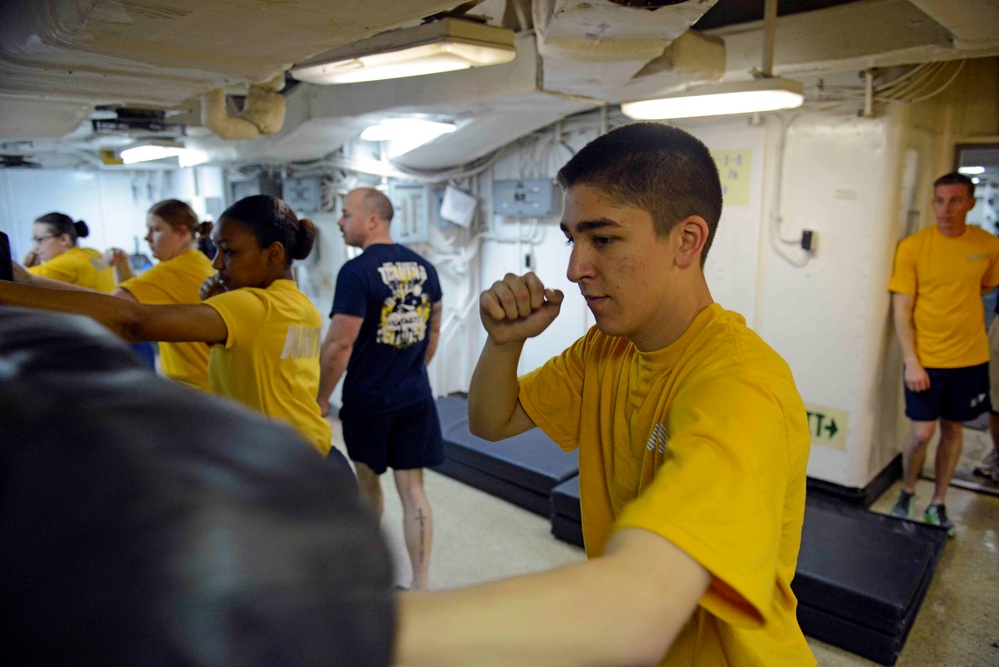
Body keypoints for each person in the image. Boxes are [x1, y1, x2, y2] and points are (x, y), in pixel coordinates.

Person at [396, 122, 815, 666]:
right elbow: (492, 421)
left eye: (605, 238)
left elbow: (637, 602)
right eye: (573, 239)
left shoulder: (741, 387)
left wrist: (371, 635)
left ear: (686, 241)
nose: (575, 269)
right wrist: (505, 345)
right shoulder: (606, 350)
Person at [0, 195, 333, 457]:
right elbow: (253, 362)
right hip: (311, 451)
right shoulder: (299, 304)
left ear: (273, 254)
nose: (216, 263)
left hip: (282, 465)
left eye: (229, 252)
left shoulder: (252, 305)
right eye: (215, 249)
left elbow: (133, 323)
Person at [317, 187, 443, 591]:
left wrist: (320, 397)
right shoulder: (425, 268)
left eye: (345, 214)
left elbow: (339, 345)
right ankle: (421, 585)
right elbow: (433, 331)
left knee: (367, 484)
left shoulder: (356, 273)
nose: (340, 221)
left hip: (369, 400)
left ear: (372, 220)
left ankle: (367, 580)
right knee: (413, 489)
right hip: (414, 396)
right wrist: (410, 370)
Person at [888, 172, 999, 536]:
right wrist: (912, 361)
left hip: (969, 358)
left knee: (953, 429)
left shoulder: (988, 245)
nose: (945, 209)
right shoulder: (914, 247)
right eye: (939, 200)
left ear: (970, 203)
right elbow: (901, 308)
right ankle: (906, 493)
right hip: (926, 360)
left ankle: (938, 502)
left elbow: (984, 286)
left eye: (954, 201)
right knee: (921, 433)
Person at [33, 199, 216, 391]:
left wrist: (30, 282)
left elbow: (112, 306)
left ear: (182, 232)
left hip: (194, 386)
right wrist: (122, 266)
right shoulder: (198, 261)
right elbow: (135, 296)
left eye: (156, 230)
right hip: (207, 378)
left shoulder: (170, 270)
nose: (147, 238)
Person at [23, 212, 115, 292]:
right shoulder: (93, 253)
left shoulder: (66, 264)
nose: (35, 248)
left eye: (40, 240)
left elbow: (20, 281)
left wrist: (29, 267)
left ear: (64, 239)